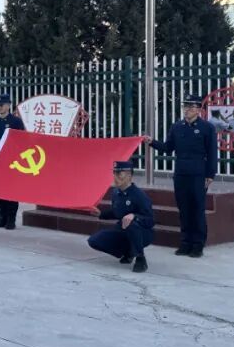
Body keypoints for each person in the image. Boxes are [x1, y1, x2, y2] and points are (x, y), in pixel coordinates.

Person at [143, 93, 218, 258]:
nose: (187, 110)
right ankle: (185, 243)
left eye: (191, 107)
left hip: (198, 174)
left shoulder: (207, 128)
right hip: (181, 173)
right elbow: (168, 148)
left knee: (197, 209)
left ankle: (197, 245)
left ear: (198, 109)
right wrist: (152, 142)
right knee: (184, 209)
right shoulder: (177, 127)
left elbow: (212, 153)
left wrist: (210, 174)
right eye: (186, 106)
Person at [87, 161, 154, 273]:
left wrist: (134, 216)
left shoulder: (139, 195)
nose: (115, 177)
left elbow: (150, 220)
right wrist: (101, 214)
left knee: (131, 224)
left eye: (119, 174)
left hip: (142, 232)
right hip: (123, 230)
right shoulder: (116, 193)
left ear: (129, 175)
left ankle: (140, 258)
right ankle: (128, 252)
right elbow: (116, 212)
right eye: (114, 173)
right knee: (94, 240)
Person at [0, 93, 25, 230]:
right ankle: (1, 218)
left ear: (8, 105)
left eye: (1, 105)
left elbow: (22, 142)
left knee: (11, 190)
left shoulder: (16, 122)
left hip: (12, 162)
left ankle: (11, 219)